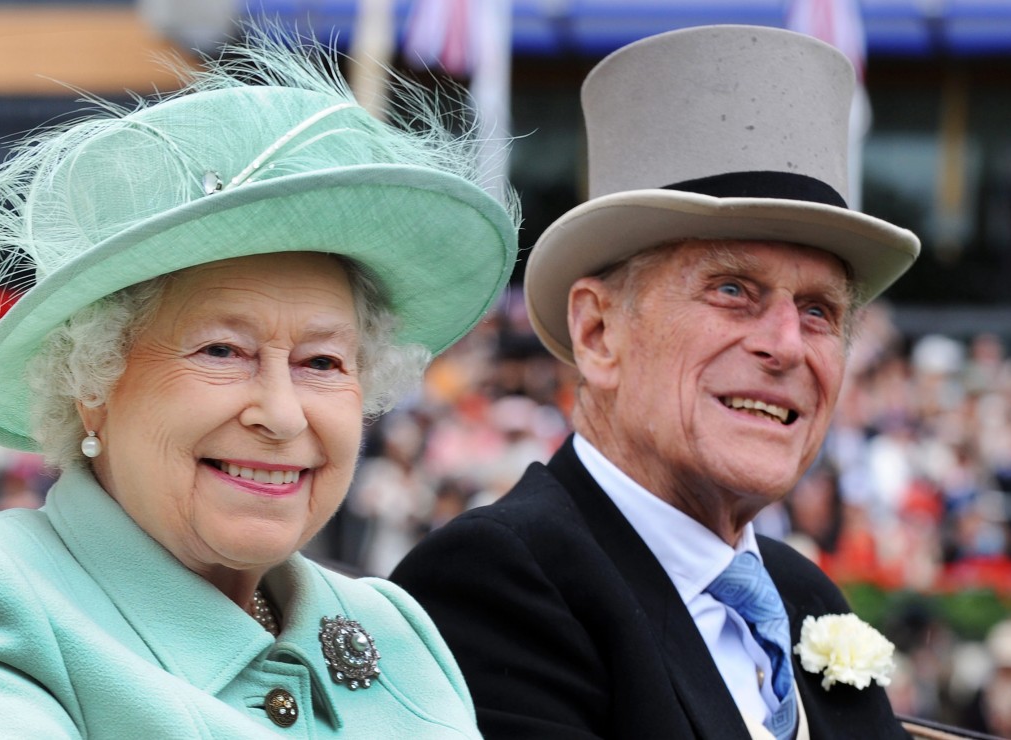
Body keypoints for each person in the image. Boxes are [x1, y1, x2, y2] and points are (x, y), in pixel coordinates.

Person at [0, 28, 518, 737]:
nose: (282, 415)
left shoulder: (395, 628)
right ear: (93, 381)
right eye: (223, 351)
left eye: (322, 363)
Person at [392, 25, 921, 739]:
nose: (786, 345)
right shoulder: (498, 581)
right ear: (599, 333)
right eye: (733, 289)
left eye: (819, 310)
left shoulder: (805, 598)